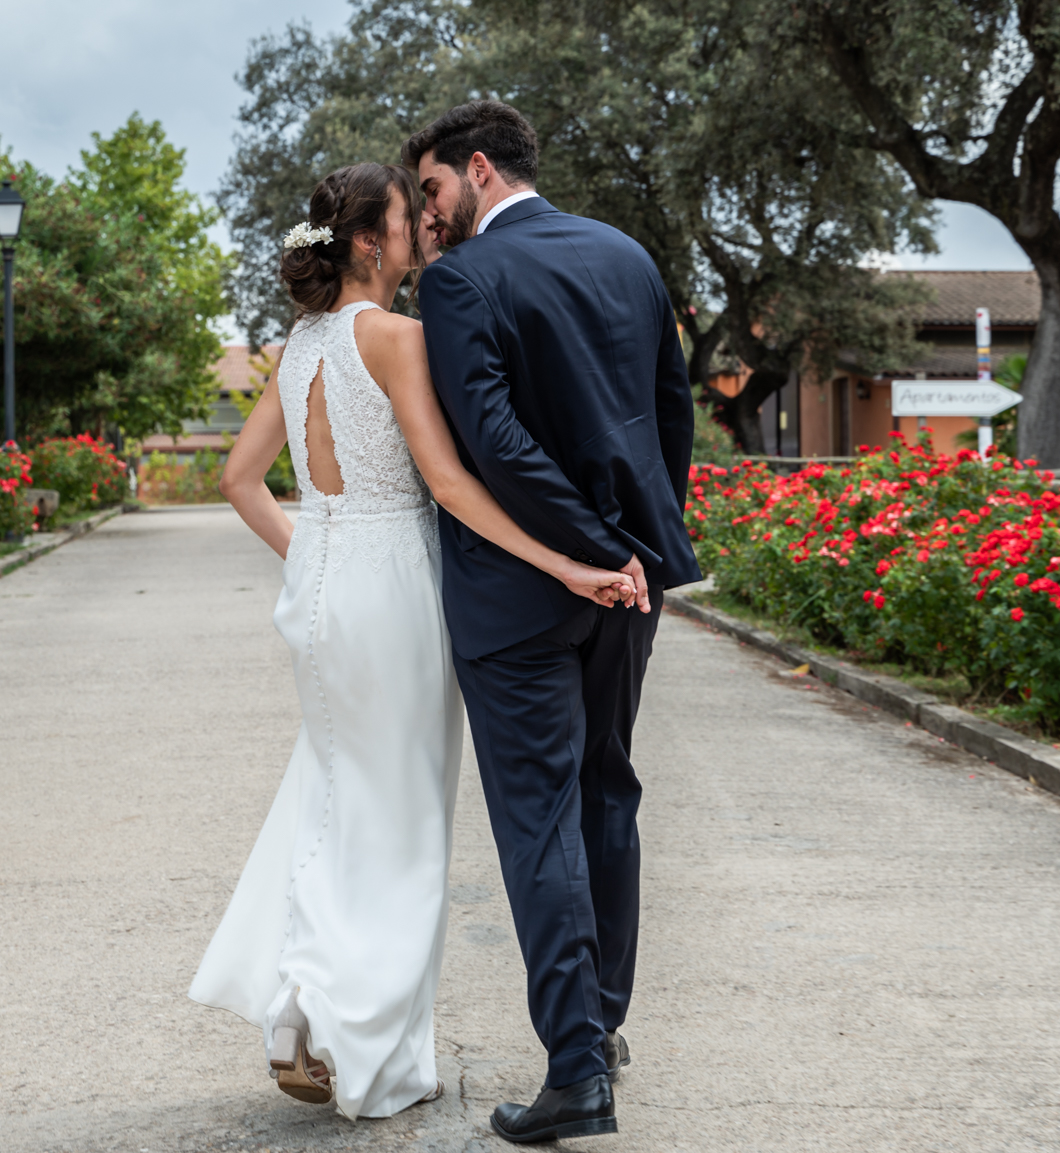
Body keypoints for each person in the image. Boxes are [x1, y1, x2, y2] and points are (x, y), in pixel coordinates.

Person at [188, 160, 640, 1122]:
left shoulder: (301, 344)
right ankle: (360, 1044)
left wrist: (313, 554)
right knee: (401, 822)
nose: (422, 229)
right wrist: (563, 562)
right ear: (369, 240)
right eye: (407, 217)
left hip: (322, 588)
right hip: (393, 591)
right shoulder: (397, 337)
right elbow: (449, 483)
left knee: (331, 794)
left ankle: (299, 1004)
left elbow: (237, 479)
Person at [401, 100, 701, 1143]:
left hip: (521, 592)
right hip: (629, 585)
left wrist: (586, 552)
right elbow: (670, 415)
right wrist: (634, 550)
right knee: (607, 791)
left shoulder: (460, 280)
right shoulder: (626, 255)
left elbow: (492, 440)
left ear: (478, 168)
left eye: (432, 188)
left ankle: (575, 1071)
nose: (427, 213)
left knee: (539, 818)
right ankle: (600, 1026)